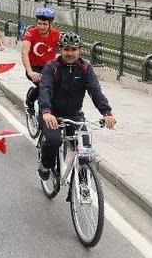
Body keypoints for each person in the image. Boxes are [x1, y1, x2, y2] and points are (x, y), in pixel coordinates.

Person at [37, 32, 116, 180]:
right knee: (54, 141)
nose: (70, 53)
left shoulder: (85, 68)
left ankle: (83, 184)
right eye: (66, 49)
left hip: (75, 115)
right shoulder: (51, 67)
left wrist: (107, 112)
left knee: (85, 151)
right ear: (60, 49)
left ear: (80, 50)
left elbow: (95, 91)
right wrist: (46, 111)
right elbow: (45, 89)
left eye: (74, 49)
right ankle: (45, 165)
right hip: (52, 115)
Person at [22, 8, 61, 114]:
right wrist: (30, 72)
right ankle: (30, 101)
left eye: (45, 24)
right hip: (34, 67)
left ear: (50, 24)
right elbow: (24, 53)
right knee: (44, 85)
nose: (41, 27)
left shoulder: (57, 35)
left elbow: (65, 50)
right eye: (39, 23)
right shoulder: (30, 34)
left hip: (49, 67)